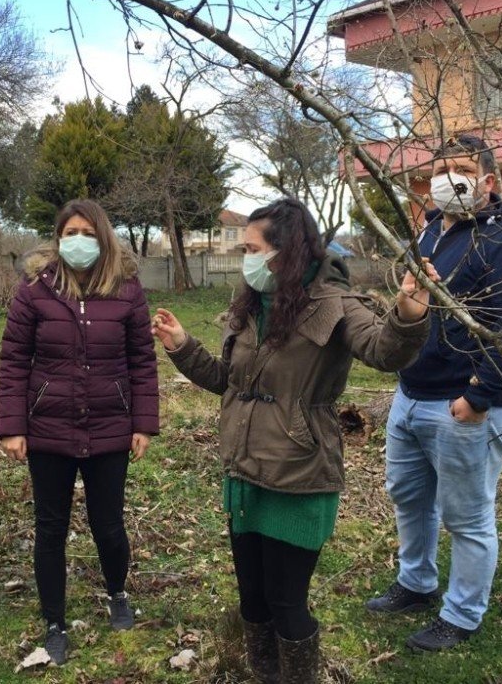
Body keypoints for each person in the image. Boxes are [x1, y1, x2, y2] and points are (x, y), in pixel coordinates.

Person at [151, 198, 435, 683]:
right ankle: (266, 675)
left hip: (299, 474)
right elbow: (231, 381)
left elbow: (384, 351)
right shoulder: (251, 305)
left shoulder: (336, 304)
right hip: (245, 472)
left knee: (286, 602)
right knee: (253, 600)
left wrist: (408, 315)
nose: (247, 258)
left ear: (289, 251)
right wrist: (183, 347)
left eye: (253, 248)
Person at [366, 135, 502, 652]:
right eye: (439, 169)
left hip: (465, 406)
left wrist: (481, 396)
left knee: (467, 517)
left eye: (461, 169)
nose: (448, 178)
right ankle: (416, 583)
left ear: (489, 180)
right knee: (410, 498)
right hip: (411, 394)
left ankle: (462, 614)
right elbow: (415, 311)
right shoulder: (428, 235)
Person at [0, 199, 159, 666]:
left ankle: (117, 592)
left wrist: (143, 422)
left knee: (108, 523)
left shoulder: (127, 291)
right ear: (58, 238)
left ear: (102, 236)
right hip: (48, 428)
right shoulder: (34, 291)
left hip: (111, 425)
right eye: (70, 233)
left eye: (87, 232)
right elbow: (13, 361)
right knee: (50, 529)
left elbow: (142, 363)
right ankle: (54, 622)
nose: (78, 241)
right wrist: (12, 425)